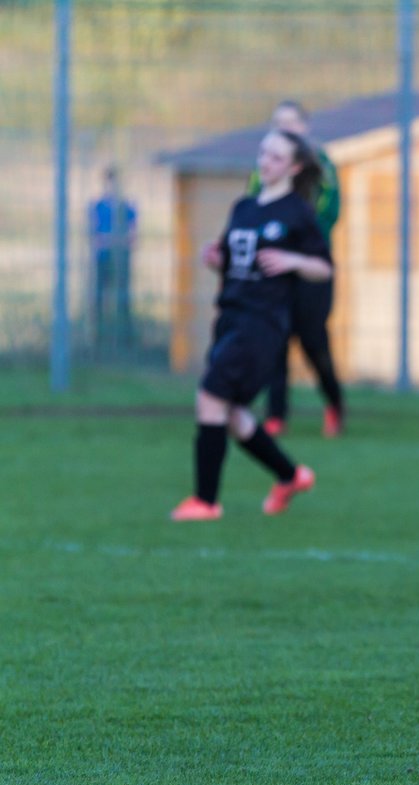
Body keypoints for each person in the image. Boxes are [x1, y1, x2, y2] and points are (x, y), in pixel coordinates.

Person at [170, 130, 331, 522]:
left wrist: (295, 262)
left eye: (275, 157)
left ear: (294, 167)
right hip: (230, 316)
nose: (265, 162)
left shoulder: (298, 212)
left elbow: (323, 268)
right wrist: (215, 258)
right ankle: (291, 475)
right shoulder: (244, 206)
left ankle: (205, 502)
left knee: (210, 398)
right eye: (263, 153)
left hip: (262, 323)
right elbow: (232, 257)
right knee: (231, 413)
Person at [249, 100, 345, 439]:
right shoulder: (264, 168)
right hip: (276, 271)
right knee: (274, 340)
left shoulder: (321, 165)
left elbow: (330, 211)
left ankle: (334, 404)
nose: (285, 130)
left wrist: (297, 245)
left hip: (310, 270)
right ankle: (276, 415)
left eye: (291, 123)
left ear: (304, 127)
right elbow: (253, 210)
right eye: (279, 124)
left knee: (313, 342)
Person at [88, 166, 138, 351]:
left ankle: (125, 340)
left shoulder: (128, 207)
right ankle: (98, 340)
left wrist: (113, 239)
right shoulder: (98, 207)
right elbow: (96, 238)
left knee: (123, 298)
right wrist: (116, 239)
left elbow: (132, 237)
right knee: (100, 297)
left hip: (123, 260)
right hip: (103, 258)